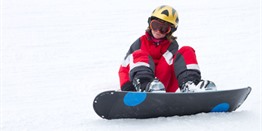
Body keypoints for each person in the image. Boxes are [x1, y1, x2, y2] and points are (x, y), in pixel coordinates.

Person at [118, 5, 216, 93]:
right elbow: (124, 67)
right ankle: (144, 87)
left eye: (164, 29)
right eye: (155, 25)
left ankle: (190, 85)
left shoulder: (172, 46)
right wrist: (127, 87)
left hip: (163, 84)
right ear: (150, 24)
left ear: (170, 31)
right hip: (141, 82)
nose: (158, 31)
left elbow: (169, 68)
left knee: (187, 50)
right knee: (139, 53)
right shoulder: (140, 42)